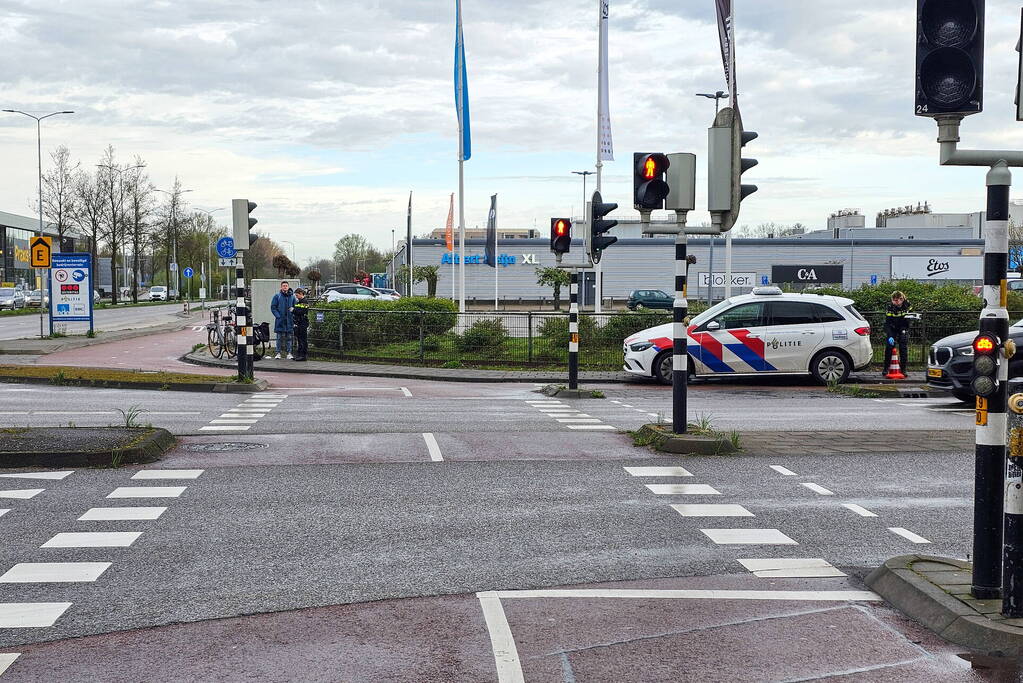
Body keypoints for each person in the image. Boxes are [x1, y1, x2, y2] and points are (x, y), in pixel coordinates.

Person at [884, 290, 912, 374]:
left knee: (903, 348)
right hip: (892, 327)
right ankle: (886, 368)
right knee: (889, 347)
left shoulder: (907, 305)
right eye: (895, 300)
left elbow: (908, 320)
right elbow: (887, 323)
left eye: (900, 299)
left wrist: (904, 330)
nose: (898, 302)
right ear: (892, 300)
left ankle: (903, 369)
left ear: (903, 298)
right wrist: (890, 335)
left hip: (903, 327)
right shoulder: (890, 307)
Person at [270, 280, 295, 359]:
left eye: (286, 286)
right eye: (283, 286)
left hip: (289, 321)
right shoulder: (277, 296)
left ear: (288, 286)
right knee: (279, 338)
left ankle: (289, 353)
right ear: (281, 287)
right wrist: (278, 316)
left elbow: (295, 307)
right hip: (280, 321)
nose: (285, 287)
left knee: (289, 338)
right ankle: (278, 353)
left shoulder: (292, 297)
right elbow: (273, 307)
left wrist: (293, 315)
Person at [292, 287, 309, 361]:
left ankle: (303, 355)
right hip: (299, 322)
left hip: (303, 323)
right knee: (299, 339)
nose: (296, 297)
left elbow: (302, 311)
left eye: (297, 295)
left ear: (301, 294)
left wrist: (293, 310)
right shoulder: (299, 302)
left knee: (303, 339)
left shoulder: (304, 302)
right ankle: (299, 354)